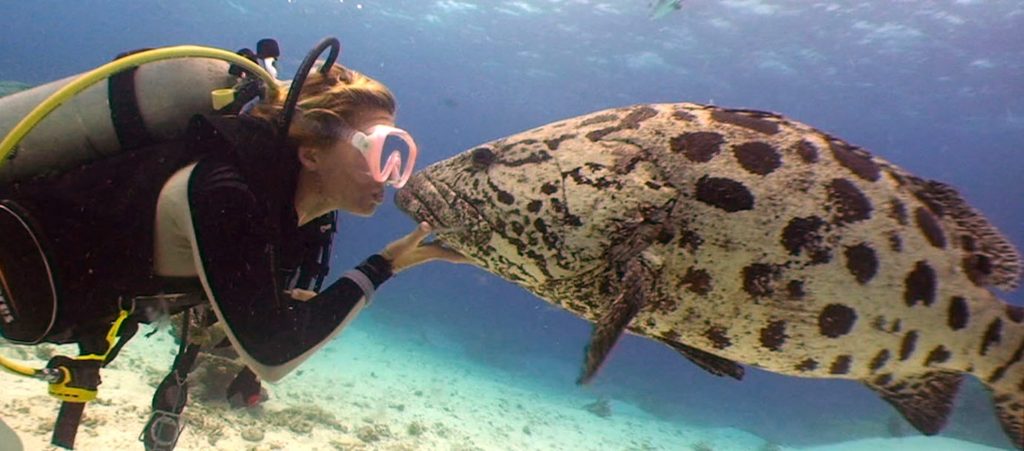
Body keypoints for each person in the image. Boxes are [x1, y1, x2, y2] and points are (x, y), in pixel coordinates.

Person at [0, 42, 464, 449]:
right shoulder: (223, 192)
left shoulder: (292, 217)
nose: (390, 176)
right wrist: (385, 265)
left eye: (399, 157)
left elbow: (243, 325)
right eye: (380, 150)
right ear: (311, 152)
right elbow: (274, 352)